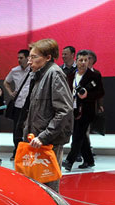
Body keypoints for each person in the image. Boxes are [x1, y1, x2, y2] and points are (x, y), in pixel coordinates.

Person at [22, 38, 73, 192]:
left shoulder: (54, 74)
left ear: (48, 57)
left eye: (34, 57)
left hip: (48, 143)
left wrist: (44, 136)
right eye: (29, 57)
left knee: (49, 189)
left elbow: (64, 110)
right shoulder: (40, 75)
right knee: (38, 188)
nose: (29, 61)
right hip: (38, 141)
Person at [62, 49, 104, 171]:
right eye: (81, 60)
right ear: (76, 61)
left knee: (77, 134)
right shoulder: (71, 75)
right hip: (74, 109)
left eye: (86, 60)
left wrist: (87, 95)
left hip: (87, 110)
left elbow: (100, 92)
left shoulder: (94, 76)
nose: (84, 62)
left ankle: (69, 160)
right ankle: (89, 160)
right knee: (82, 135)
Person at [4, 49, 31, 160]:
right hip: (18, 104)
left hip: (30, 105)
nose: (19, 60)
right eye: (18, 58)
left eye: (21, 58)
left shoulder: (33, 70)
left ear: (28, 58)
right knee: (17, 129)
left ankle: (28, 152)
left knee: (29, 129)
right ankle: (17, 151)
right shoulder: (14, 70)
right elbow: (6, 82)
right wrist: (10, 93)